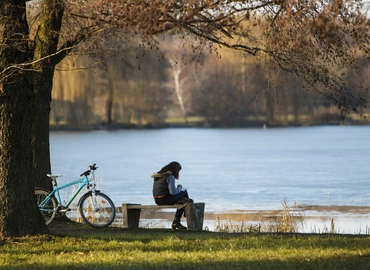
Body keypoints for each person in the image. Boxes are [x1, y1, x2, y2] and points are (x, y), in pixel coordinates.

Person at [152, 161, 190, 231]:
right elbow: (173, 192)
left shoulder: (159, 176)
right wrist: (179, 188)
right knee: (184, 193)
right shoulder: (170, 176)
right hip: (165, 199)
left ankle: (178, 221)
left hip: (157, 200)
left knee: (182, 201)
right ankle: (179, 219)